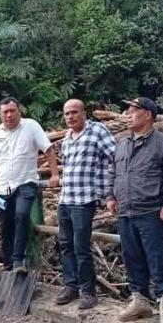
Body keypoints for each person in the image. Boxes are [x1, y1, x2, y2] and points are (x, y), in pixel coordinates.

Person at [107, 97, 163, 323]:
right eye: (127, 111)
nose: (127, 114)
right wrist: (111, 197)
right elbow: (113, 171)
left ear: (148, 115)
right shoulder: (121, 142)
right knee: (131, 256)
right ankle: (139, 299)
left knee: (159, 258)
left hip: (153, 210)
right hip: (126, 210)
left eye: (133, 111)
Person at [0, 97, 60, 273]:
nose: (9, 115)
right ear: (0, 114)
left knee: (22, 215)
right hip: (3, 187)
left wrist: (55, 174)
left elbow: (48, 149)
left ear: (19, 111)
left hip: (26, 183)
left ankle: (19, 261)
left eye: (12, 111)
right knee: (5, 227)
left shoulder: (31, 126)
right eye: (5, 112)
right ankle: (9, 265)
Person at [55, 99, 115, 310]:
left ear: (84, 113)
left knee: (81, 247)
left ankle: (88, 292)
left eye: (74, 112)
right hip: (66, 198)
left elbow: (114, 158)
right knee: (65, 245)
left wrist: (108, 191)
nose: (70, 117)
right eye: (67, 114)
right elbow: (66, 166)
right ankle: (70, 286)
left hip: (85, 199)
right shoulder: (67, 139)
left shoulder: (98, 131)